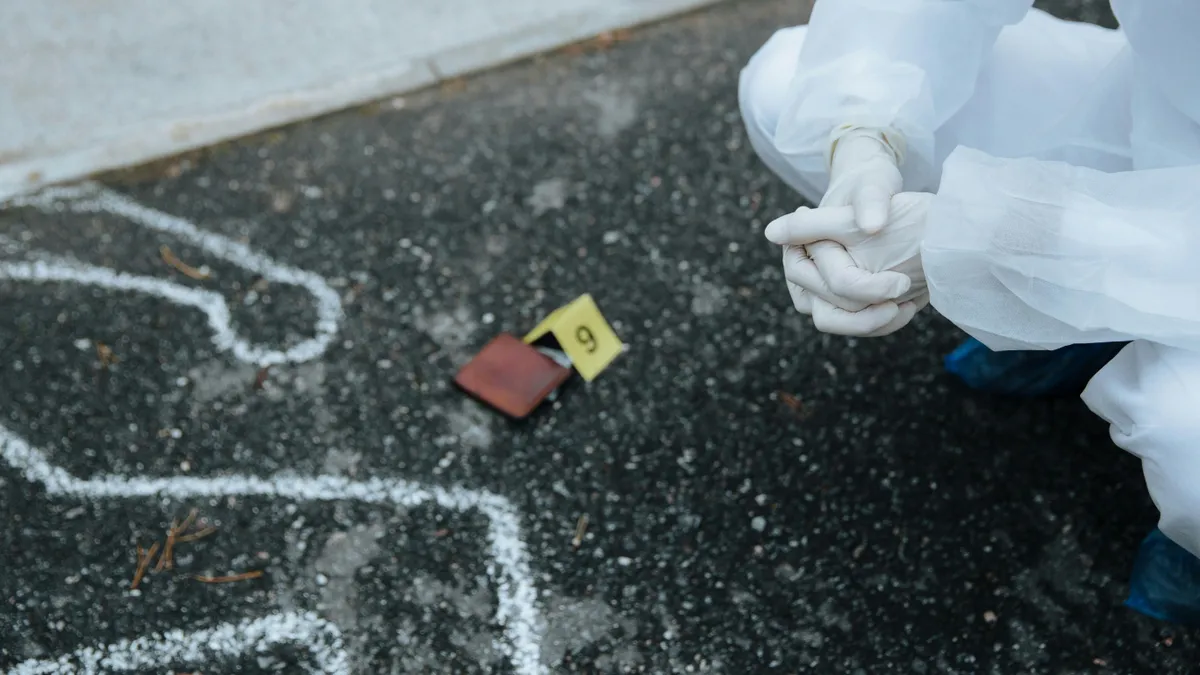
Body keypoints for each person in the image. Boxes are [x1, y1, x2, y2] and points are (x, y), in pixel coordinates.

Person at [738, 0, 1200, 626]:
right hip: (1165, 110)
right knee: (789, 83)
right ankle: (1077, 322)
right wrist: (865, 134)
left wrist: (993, 234)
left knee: (1189, 445)